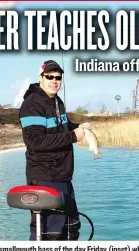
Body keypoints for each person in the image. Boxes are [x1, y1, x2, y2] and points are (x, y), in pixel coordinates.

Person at [18, 60, 92, 241]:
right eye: (49, 76)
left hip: (63, 176)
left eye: (58, 77)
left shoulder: (56, 101)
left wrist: (79, 127)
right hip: (45, 177)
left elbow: (62, 127)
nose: (54, 81)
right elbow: (35, 141)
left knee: (71, 228)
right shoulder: (32, 104)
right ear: (41, 78)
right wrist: (73, 137)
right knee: (49, 233)